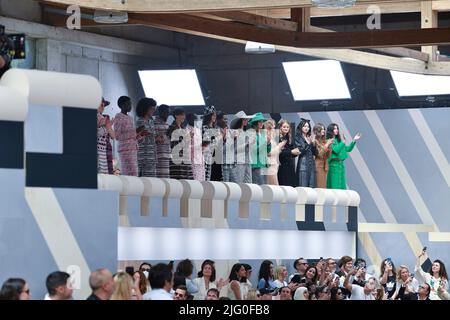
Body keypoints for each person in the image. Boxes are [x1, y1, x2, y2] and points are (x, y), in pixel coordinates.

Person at [326, 123, 361, 189]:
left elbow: (348, 149)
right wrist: (343, 142)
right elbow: (336, 150)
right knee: (335, 185)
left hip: (341, 165)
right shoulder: (328, 141)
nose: (336, 130)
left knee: (342, 185)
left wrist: (354, 140)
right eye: (334, 129)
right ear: (330, 130)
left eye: (337, 128)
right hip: (334, 165)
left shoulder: (339, 141)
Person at [114, 96, 139, 176]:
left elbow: (133, 135)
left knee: (135, 173)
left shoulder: (130, 118)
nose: (130, 106)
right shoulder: (118, 116)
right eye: (128, 104)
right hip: (125, 150)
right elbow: (117, 136)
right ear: (122, 105)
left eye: (131, 104)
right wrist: (134, 132)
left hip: (133, 149)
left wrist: (140, 134)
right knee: (129, 173)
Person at [168, 108, 194, 180]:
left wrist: (189, 138)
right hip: (176, 156)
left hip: (184, 155)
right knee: (178, 178)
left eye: (184, 115)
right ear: (176, 116)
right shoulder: (172, 127)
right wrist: (187, 137)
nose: (184, 117)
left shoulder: (183, 128)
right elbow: (174, 143)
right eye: (182, 115)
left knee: (187, 179)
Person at [135, 97, 157, 177]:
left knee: (152, 181)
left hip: (152, 156)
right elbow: (140, 138)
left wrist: (156, 138)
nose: (153, 111)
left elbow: (151, 136)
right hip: (143, 157)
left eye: (154, 108)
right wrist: (153, 136)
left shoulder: (151, 121)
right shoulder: (139, 121)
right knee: (146, 182)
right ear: (145, 108)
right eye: (151, 108)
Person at [249, 112, 270, 185]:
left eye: (262, 122)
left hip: (263, 164)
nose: (262, 123)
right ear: (255, 123)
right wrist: (265, 143)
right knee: (259, 188)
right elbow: (254, 150)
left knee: (264, 187)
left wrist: (268, 143)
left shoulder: (262, 134)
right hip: (256, 165)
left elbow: (268, 151)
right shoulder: (252, 134)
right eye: (259, 122)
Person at [295, 118, 317, 187]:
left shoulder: (309, 137)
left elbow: (315, 153)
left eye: (308, 126)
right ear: (301, 127)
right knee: (303, 186)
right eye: (304, 126)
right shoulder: (298, 137)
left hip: (311, 164)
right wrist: (309, 143)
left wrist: (313, 144)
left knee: (312, 185)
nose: (306, 128)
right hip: (303, 164)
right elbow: (301, 151)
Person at [277, 120, 299, 187]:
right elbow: (279, 153)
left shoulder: (289, 138)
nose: (286, 128)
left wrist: (296, 153)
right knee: (283, 185)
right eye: (284, 127)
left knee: (291, 185)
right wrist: (291, 152)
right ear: (280, 127)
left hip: (290, 166)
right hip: (281, 166)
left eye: (287, 127)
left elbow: (291, 153)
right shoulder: (278, 138)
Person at [264, 119, 286, 185]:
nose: (274, 129)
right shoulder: (266, 137)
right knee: (274, 187)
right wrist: (279, 146)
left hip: (274, 165)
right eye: (273, 127)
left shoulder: (272, 138)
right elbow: (268, 153)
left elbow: (274, 152)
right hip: (270, 165)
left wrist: (279, 149)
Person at [97, 98, 114, 174]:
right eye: (101, 105)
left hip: (103, 150)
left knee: (104, 174)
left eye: (104, 105)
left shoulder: (104, 117)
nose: (103, 107)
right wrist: (105, 126)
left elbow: (113, 136)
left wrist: (108, 126)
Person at [312, 123, 333, 188]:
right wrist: (327, 145)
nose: (323, 130)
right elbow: (319, 154)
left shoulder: (324, 141)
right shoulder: (314, 141)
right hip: (318, 166)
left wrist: (329, 146)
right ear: (317, 131)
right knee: (320, 187)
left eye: (324, 129)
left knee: (324, 186)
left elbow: (328, 156)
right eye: (322, 129)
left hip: (324, 166)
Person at [186, 113, 205, 181]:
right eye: (194, 119)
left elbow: (200, 143)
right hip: (192, 160)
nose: (195, 121)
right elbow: (186, 146)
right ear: (188, 120)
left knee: (202, 180)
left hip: (200, 158)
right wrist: (196, 147)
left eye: (196, 119)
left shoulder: (198, 130)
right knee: (194, 180)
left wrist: (203, 147)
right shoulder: (186, 130)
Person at [154, 104, 171, 178]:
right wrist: (161, 137)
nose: (167, 114)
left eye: (168, 113)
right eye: (166, 112)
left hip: (167, 154)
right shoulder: (154, 123)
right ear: (160, 112)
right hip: (159, 154)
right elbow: (153, 138)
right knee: (160, 178)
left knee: (166, 178)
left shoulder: (167, 124)